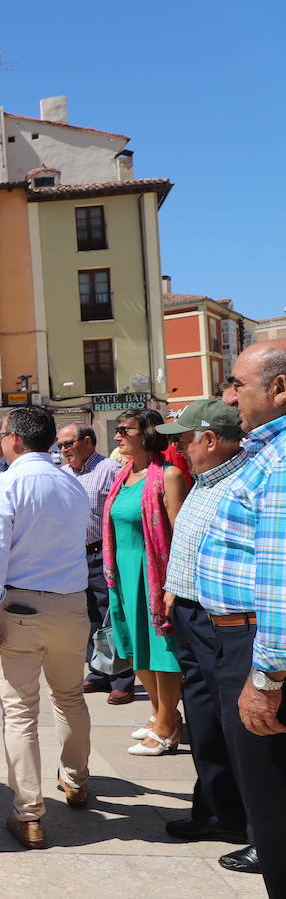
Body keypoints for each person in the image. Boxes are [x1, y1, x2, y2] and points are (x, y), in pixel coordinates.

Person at [0, 406, 92, 850]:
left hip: (24, 605)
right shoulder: (71, 482)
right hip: (72, 603)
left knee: (20, 711)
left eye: (3, 435)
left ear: (16, 440)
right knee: (70, 698)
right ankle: (76, 780)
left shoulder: (8, 483)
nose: (0, 442)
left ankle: (29, 814)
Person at [155, 400, 256, 875]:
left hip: (226, 620)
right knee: (204, 718)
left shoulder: (243, 482)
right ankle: (218, 812)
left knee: (239, 726)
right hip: (193, 615)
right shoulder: (206, 480)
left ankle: (259, 830)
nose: (177, 447)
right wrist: (175, 588)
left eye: (183, 438)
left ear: (211, 440)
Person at [202, 340, 286, 890]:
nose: (228, 395)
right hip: (243, 641)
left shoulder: (279, 460)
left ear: (279, 388)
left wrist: (266, 676)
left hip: (257, 644)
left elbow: (279, 577)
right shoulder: (265, 451)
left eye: (238, 384)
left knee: (274, 815)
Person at [102, 409, 189, 756]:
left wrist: (174, 584)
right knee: (137, 651)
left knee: (161, 653)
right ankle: (160, 714)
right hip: (123, 573)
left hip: (153, 573)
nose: (118, 435)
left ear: (147, 434)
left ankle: (168, 726)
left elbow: (179, 532)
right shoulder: (124, 475)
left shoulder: (168, 475)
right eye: (118, 430)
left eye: (125, 430)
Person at [57, 423, 135, 704]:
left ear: (88, 442)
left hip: (104, 552)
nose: (64, 451)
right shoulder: (63, 475)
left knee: (111, 615)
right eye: (61, 446)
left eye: (68, 444)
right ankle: (99, 671)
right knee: (88, 614)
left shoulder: (109, 471)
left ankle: (122, 679)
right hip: (75, 555)